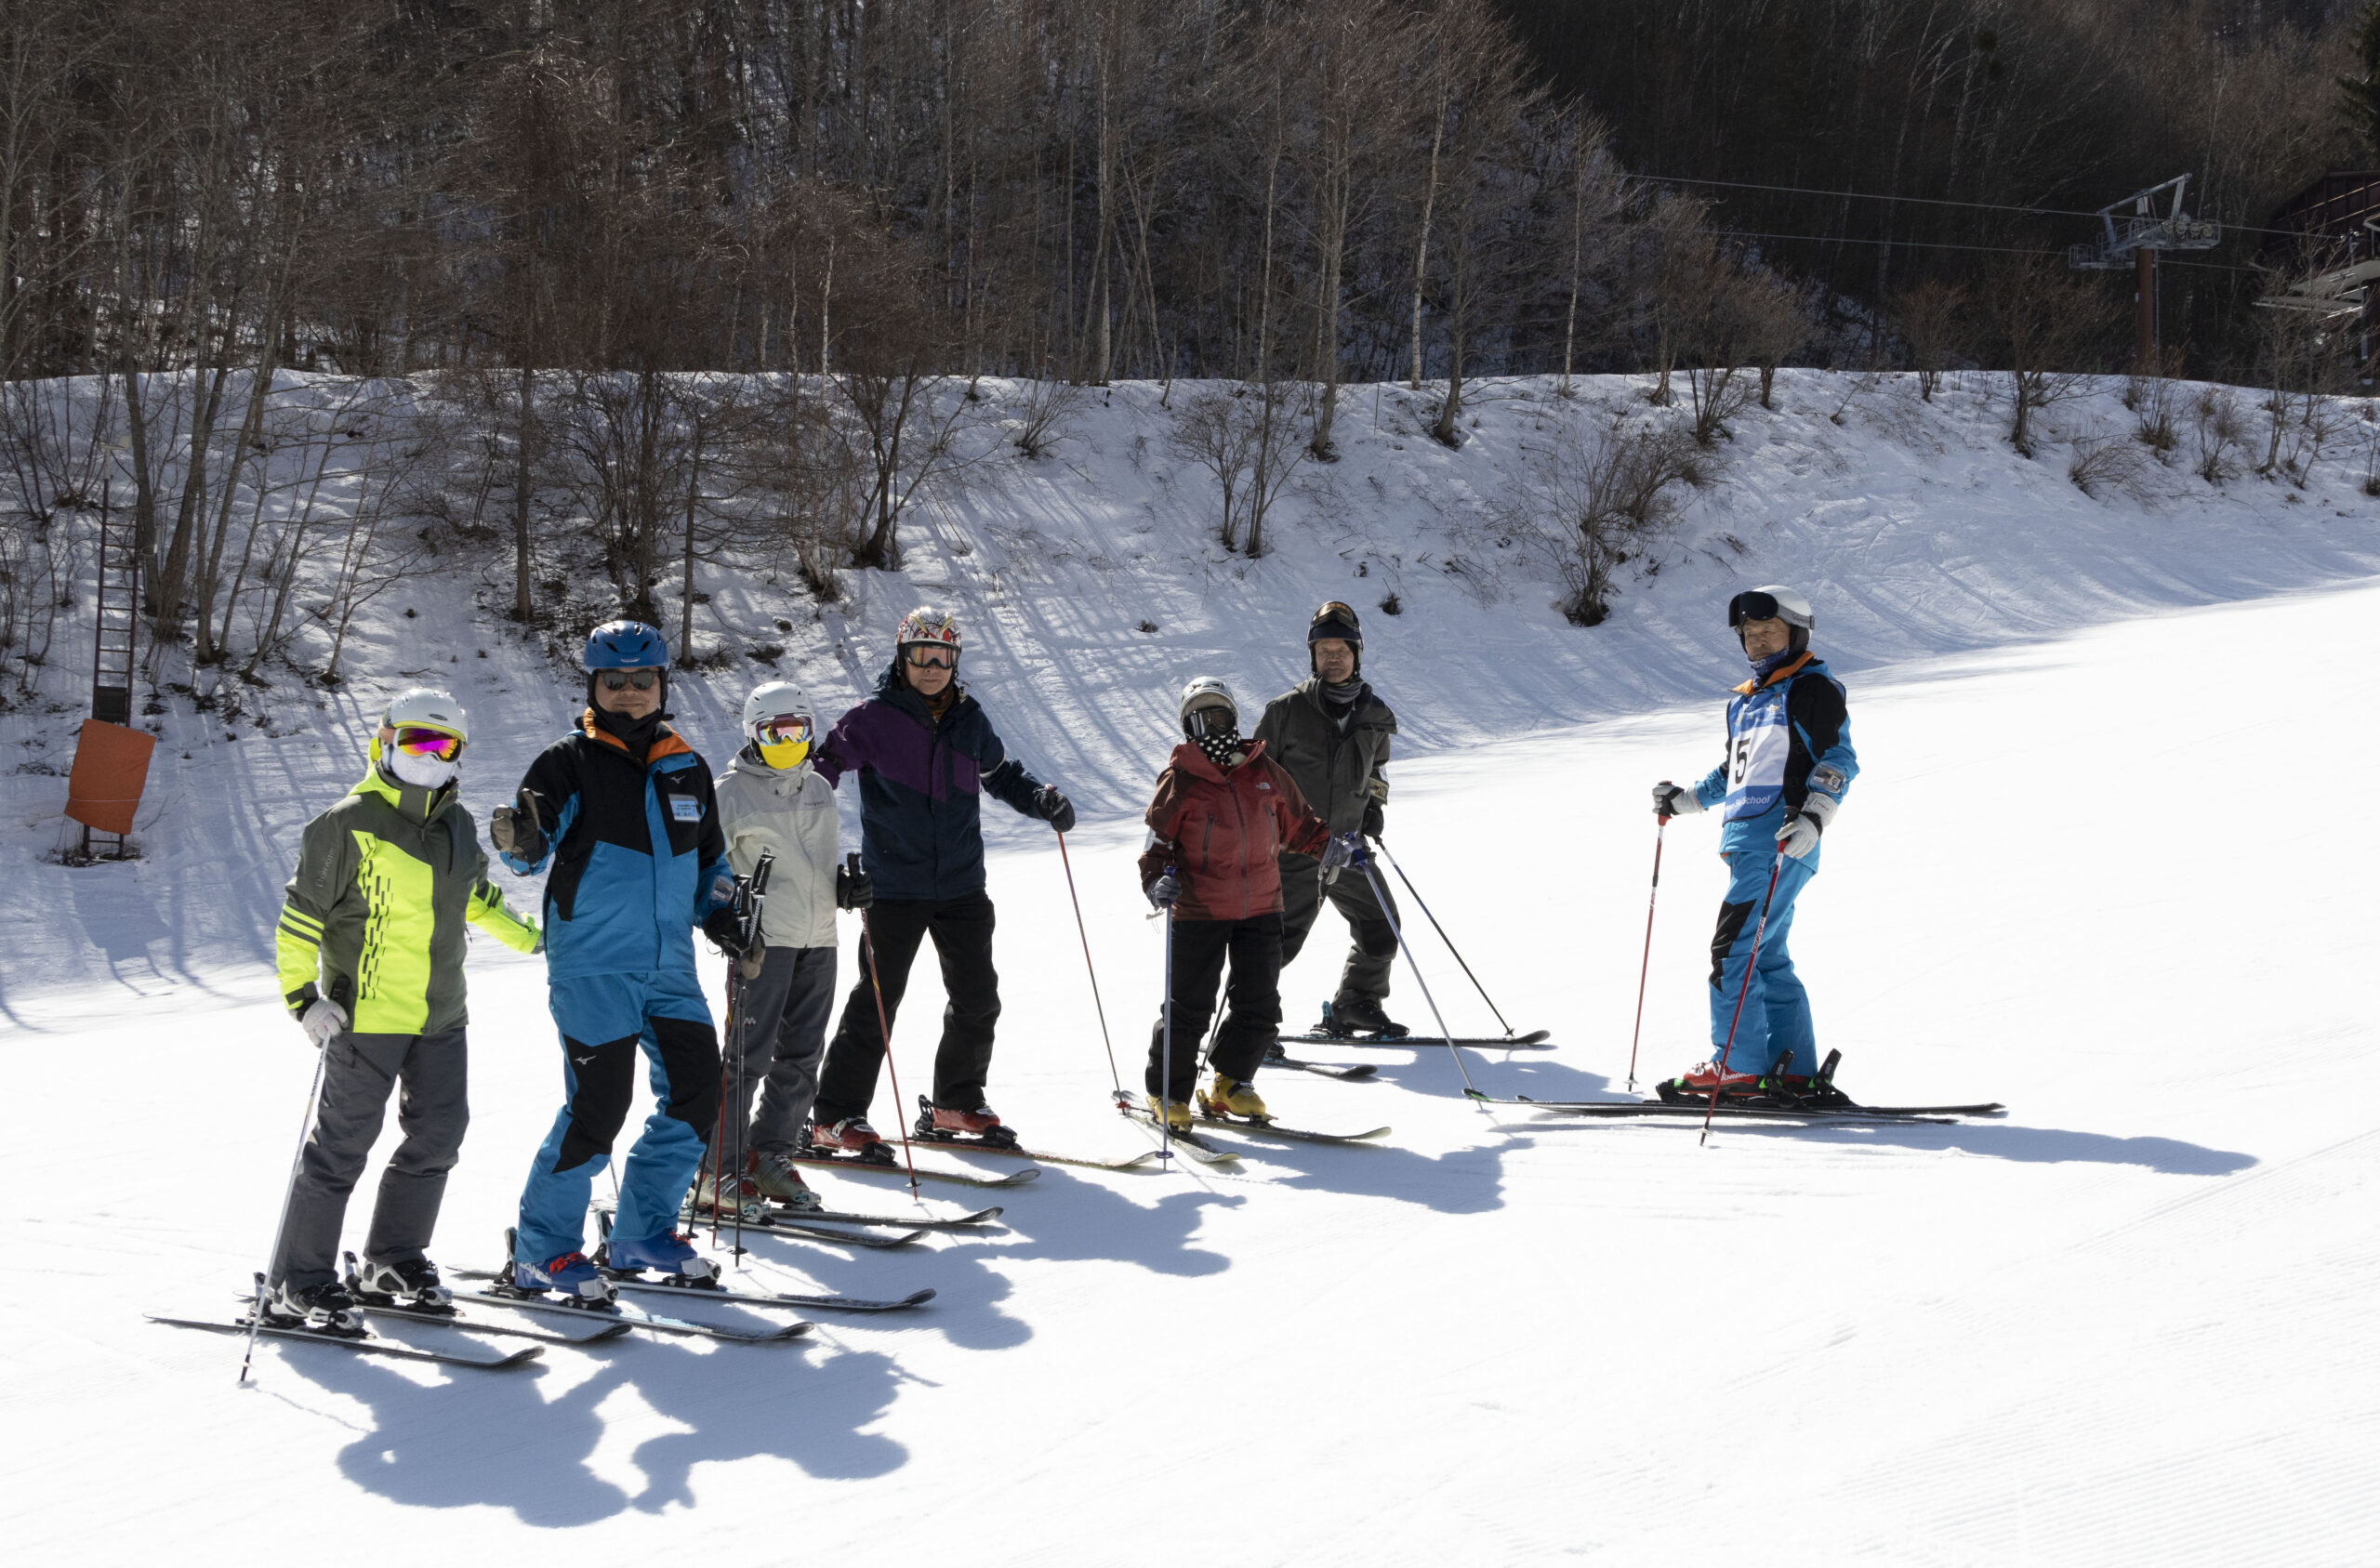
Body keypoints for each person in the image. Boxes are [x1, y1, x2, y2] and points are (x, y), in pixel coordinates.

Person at [265, 688, 541, 1327]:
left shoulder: (458, 824)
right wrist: (303, 1000)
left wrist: (537, 938)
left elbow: (476, 899)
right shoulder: (346, 822)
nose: (429, 755)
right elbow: (299, 919)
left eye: (444, 745)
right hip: (365, 1016)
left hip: (442, 1014)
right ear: (385, 740)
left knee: (439, 1135)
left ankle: (392, 1257)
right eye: (417, 740)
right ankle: (297, 1278)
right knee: (341, 1148)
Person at [492, 620, 735, 1298]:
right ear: (593, 687)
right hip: (594, 962)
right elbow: (528, 851)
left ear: (662, 684)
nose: (630, 692)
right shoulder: (567, 762)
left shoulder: (687, 768)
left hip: (669, 965)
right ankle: (541, 1250)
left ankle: (640, 1232)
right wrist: (522, 839)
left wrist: (723, 913)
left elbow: (710, 863)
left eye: (642, 679)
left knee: (697, 1091)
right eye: (615, 681)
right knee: (598, 1106)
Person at [804, 606, 1074, 1153]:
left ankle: (956, 1101)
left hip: (961, 884)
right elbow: (819, 774)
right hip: (892, 888)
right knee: (877, 1002)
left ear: (955, 661)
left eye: (942, 657)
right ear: (902, 658)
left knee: (978, 998)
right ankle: (833, 1116)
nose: (931, 668)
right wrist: (797, 825)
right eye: (921, 656)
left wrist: (1041, 800)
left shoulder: (969, 718)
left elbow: (1000, 774)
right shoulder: (871, 718)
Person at [1650, 585, 1859, 1103]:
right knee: (1766, 957)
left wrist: (1815, 816)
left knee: (1732, 951)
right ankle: (1793, 1070)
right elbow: (1736, 771)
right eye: (1751, 633)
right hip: (1748, 843)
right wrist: (1685, 800)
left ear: (1797, 634)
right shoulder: (1746, 701)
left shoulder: (1812, 689)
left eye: (1771, 630)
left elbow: (1838, 758)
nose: (1760, 640)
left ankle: (1737, 1066)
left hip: (1781, 841)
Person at [693, 679, 872, 1218]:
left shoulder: (818, 786)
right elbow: (707, 866)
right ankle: (716, 1167)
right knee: (747, 1057)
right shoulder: (729, 793)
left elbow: (812, 863)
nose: (788, 742)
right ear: (754, 734)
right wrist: (722, 916)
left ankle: (770, 1154)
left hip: (819, 937)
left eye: (798, 731)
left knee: (802, 1057)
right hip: (762, 942)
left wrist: (843, 888)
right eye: (776, 733)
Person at [1139, 678, 1347, 1126]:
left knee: (1259, 1004)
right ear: (1189, 728)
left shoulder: (1264, 771)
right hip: (1200, 911)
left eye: (1222, 716)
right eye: (1203, 720)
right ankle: (1166, 1093)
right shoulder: (1180, 781)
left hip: (1263, 908)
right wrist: (1157, 883)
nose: (1215, 727)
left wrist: (1331, 846)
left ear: (1234, 718)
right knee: (1189, 1008)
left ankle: (1232, 1082)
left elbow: (1301, 826)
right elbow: (1156, 849)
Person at [1252, 600, 1404, 1038]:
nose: (1332, 659)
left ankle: (1356, 1003)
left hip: (1350, 847)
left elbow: (1377, 771)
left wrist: (1373, 807)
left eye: (1341, 650)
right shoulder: (1285, 711)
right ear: (1313, 657)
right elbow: (1254, 778)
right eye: (1324, 651)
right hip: (1295, 851)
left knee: (1381, 928)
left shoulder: (1374, 715)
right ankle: (1248, 1026)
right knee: (1274, 945)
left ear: (1357, 654)